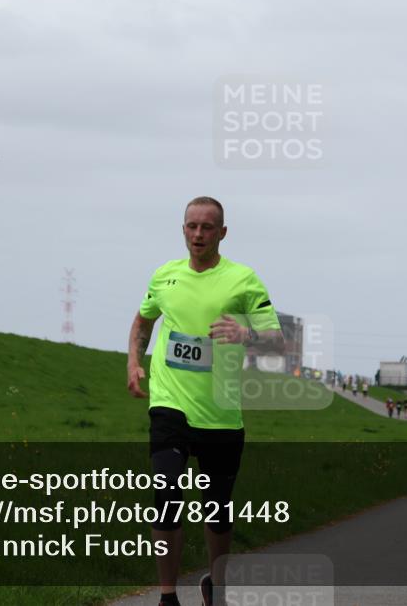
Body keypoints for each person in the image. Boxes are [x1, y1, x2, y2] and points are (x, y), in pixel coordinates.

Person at [127, 196, 284, 606]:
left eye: (207, 227)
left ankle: (216, 584)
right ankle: (166, 596)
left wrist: (246, 334)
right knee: (165, 498)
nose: (198, 234)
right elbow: (143, 322)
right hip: (168, 404)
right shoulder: (165, 276)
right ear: (183, 229)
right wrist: (133, 363)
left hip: (220, 413)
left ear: (223, 233)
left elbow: (279, 339)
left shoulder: (243, 280)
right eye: (192, 226)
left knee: (216, 510)